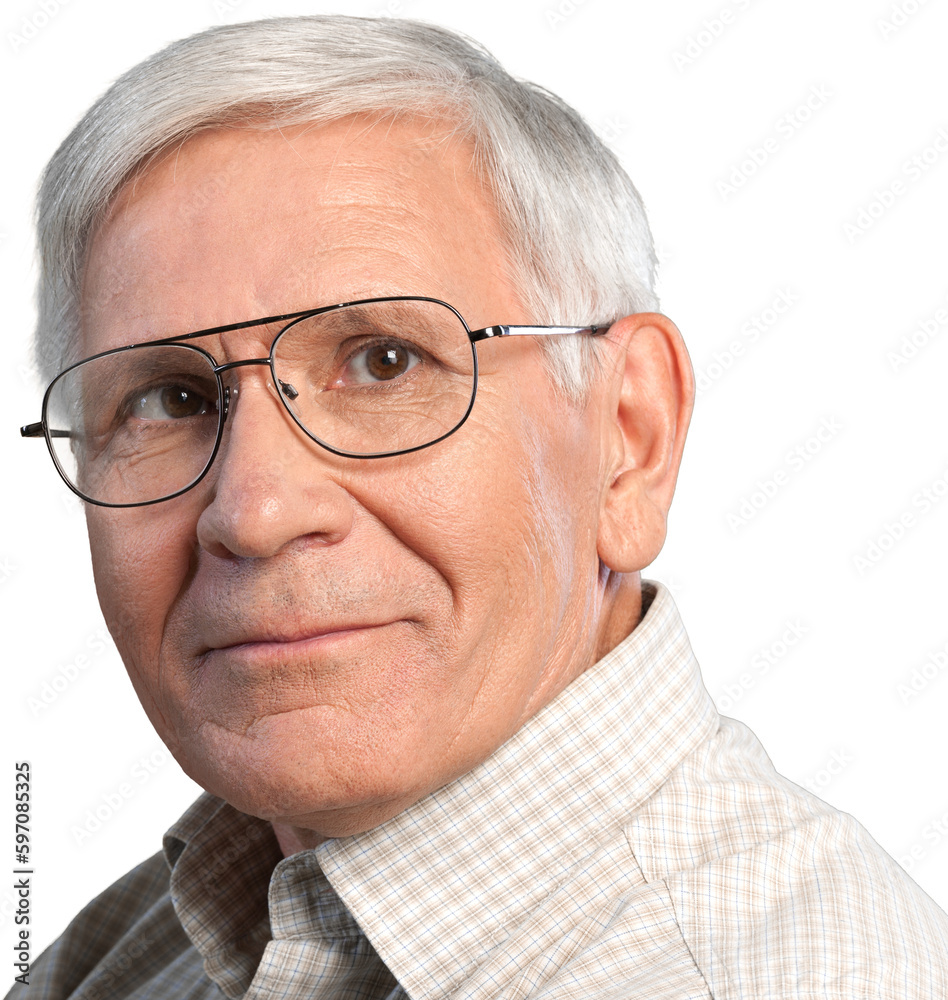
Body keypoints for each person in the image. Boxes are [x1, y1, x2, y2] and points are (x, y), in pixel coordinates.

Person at [10, 14, 948, 999]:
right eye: (170, 399)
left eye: (384, 362)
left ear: (630, 439)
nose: (253, 511)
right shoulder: (121, 957)